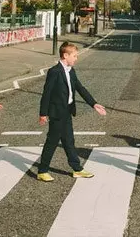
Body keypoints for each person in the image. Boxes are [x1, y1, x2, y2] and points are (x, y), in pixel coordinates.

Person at [37, 41, 107, 182]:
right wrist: (43, 114)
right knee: (52, 141)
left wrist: (93, 104)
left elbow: (80, 88)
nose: (76, 58)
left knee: (69, 141)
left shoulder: (71, 71)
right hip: (57, 113)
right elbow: (47, 93)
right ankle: (42, 171)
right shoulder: (55, 71)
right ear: (65, 55)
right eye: (74, 56)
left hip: (67, 111)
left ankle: (77, 169)